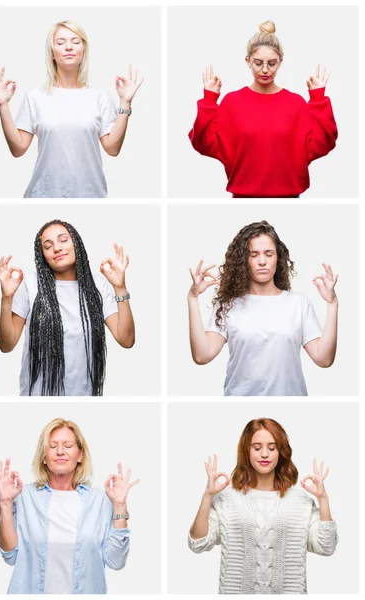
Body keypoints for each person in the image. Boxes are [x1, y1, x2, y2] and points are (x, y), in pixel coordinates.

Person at [0, 20, 144, 198]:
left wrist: (125, 102)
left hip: (89, 195)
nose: (69, 47)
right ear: (52, 53)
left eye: (75, 42)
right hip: (43, 195)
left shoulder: (99, 97)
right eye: (60, 43)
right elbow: (18, 149)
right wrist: (3, 105)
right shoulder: (36, 97)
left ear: (83, 51)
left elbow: (112, 148)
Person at [189, 20, 337, 198]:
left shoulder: (296, 103)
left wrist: (318, 99)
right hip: (243, 199)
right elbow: (202, 142)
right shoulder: (232, 103)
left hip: (289, 200)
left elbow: (323, 143)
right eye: (258, 63)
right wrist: (209, 100)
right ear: (248, 61)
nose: (265, 70)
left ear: (280, 62)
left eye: (272, 63)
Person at [187, 220, 338, 395]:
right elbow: (202, 355)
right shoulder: (228, 305)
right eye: (253, 254)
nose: (262, 261)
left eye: (269, 254)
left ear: (278, 258)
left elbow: (324, 358)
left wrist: (332, 304)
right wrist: (193, 298)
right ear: (243, 260)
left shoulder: (298, 303)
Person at [188, 418, 337, 594]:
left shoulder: (300, 501)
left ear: (281, 452)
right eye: (257, 448)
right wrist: (208, 496)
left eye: (272, 448)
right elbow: (197, 544)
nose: (264, 454)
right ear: (246, 451)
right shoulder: (227, 501)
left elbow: (326, 547)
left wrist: (323, 499)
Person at [0, 418, 138, 594]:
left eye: (68, 446)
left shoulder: (100, 500)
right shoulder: (24, 496)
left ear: (80, 455)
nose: (60, 451)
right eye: (52, 446)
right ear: (43, 457)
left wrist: (120, 506)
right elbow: (10, 555)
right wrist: (5, 504)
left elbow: (116, 561)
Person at [0, 219, 135, 396]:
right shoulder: (30, 284)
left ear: (76, 242)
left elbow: (126, 339)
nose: (57, 248)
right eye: (48, 246)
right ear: (42, 255)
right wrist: (7, 298)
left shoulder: (98, 286)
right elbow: (6, 345)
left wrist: (120, 287)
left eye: (63, 240)